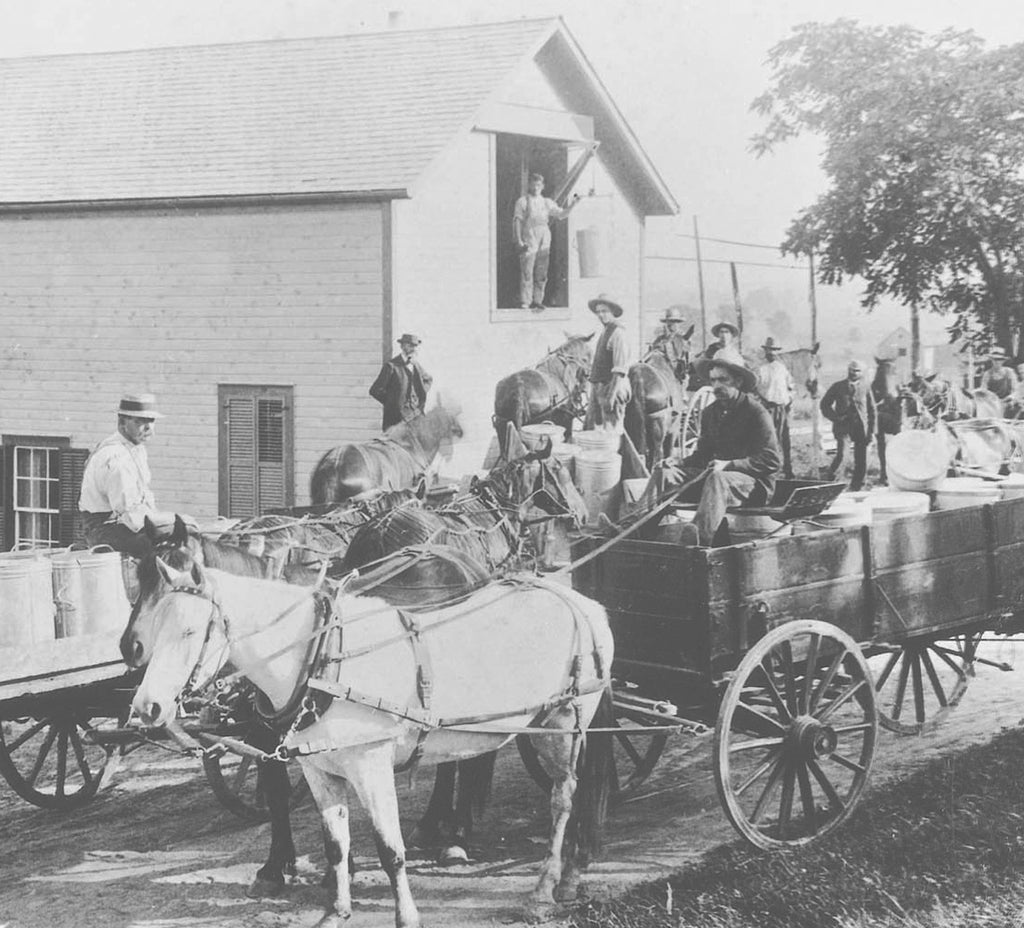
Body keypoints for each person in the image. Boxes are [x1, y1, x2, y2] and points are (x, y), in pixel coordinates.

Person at [651, 357, 781, 546]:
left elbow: (771, 461)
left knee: (718, 478)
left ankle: (698, 537)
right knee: (664, 474)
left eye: (723, 380)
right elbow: (703, 454)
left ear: (738, 381)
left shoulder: (756, 413)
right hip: (717, 482)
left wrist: (729, 464)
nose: (716, 386)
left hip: (754, 485)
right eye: (713, 380)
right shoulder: (710, 412)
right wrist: (679, 462)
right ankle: (639, 529)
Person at [78, 393, 185, 558]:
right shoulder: (115, 457)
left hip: (126, 521)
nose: (148, 427)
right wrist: (158, 527)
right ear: (122, 422)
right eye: (139, 422)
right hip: (105, 528)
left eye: (151, 421)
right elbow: (127, 511)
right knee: (164, 549)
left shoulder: (136, 449)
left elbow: (142, 499)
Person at [512, 172, 581, 311]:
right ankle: (526, 301)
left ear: (542, 186)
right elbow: (517, 221)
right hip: (529, 236)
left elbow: (562, 214)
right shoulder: (522, 201)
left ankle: (537, 300)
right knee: (527, 270)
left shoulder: (547, 202)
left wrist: (573, 204)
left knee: (541, 271)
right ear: (530, 185)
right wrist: (519, 240)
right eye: (533, 184)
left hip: (544, 236)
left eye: (539, 184)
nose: (536, 187)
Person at [820, 360, 876, 491]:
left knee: (861, 457)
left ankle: (858, 486)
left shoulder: (866, 387)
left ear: (862, 373)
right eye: (852, 370)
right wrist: (835, 418)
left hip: (861, 428)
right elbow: (824, 405)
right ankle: (831, 481)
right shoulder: (837, 386)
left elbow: (873, 411)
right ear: (848, 370)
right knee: (842, 454)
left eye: (857, 371)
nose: (854, 373)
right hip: (843, 426)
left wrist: (871, 431)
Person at [586, 293, 631, 432]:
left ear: (613, 312)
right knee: (597, 430)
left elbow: (619, 370)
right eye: (598, 312)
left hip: (613, 388)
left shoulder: (618, 333)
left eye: (604, 311)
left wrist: (611, 397)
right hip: (601, 387)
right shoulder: (605, 331)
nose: (601, 315)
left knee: (611, 432)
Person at [369, 333, 433, 431]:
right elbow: (374, 390)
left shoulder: (416, 365)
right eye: (410, 345)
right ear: (402, 346)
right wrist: (392, 402)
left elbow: (428, 379)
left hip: (414, 418)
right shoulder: (391, 366)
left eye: (415, 346)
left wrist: (418, 396)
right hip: (395, 421)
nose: (413, 349)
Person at [755, 336, 795, 479]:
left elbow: (790, 385)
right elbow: (756, 389)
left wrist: (789, 399)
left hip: (782, 408)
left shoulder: (782, 368)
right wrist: (763, 403)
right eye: (769, 350)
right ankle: (770, 470)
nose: (772, 353)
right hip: (767, 407)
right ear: (765, 351)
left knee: (785, 439)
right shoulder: (760, 368)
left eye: (774, 350)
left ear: (778, 351)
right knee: (769, 439)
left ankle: (788, 469)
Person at [650, 306, 692, 382]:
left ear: (678, 323)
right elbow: (654, 351)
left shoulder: (683, 338)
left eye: (675, 321)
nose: (672, 324)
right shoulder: (660, 338)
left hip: (678, 371)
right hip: (661, 370)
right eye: (669, 321)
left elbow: (686, 356)